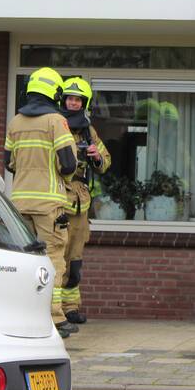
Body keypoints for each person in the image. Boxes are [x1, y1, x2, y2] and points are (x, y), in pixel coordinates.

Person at [5, 67, 79, 337]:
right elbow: (69, 163)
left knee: (24, 260)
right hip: (49, 205)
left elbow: (9, 162)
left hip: (19, 203)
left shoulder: (15, 122)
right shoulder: (55, 121)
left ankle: (24, 313)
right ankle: (55, 318)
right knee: (54, 258)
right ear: (55, 92)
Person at [59, 77, 111, 325]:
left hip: (79, 202)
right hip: (57, 196)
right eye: (69, 98)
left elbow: (105, 162)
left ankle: (70, 307)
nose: (73, 102)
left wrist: (97, 156)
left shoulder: (89, 131)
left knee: (75, 257)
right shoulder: (55, 124)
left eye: (77, 99)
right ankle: (53, 310)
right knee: (55, 255)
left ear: (84, 102)